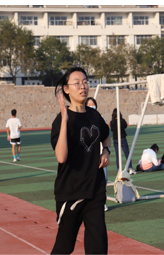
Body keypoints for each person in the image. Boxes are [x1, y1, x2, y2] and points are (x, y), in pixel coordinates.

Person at [50, 66, 111, 254]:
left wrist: (106, 151)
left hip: (95, 189)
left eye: (85, 82)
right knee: (64, 247)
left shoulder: (94, 116)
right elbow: (61, 157)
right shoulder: (60, 120)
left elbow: (106, 135)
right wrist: (65, 119)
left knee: (98, 247)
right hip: (71, 192)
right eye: (77, 83)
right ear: (66, 89)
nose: (83, 86)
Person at [110, 108, 133, 173]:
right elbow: (125, 126)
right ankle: (130, 168)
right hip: (122, 138)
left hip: (115, 139)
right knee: (127, 153)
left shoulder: (112, 122)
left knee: (117, 155)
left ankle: (119, 169)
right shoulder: (122, 121)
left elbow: (112, 129)